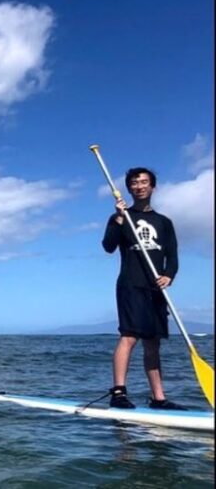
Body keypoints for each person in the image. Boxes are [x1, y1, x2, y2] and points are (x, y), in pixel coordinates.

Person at [101, 167, 185, 410]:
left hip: (156, 289)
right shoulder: (121, 217)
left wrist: (169, 275)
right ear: (129, 188)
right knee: (129, 336)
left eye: (144, 182)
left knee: (153, 341)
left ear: (153, 186)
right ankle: (118, 393)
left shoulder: (164, 222)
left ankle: (158, 398)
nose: (139, 186)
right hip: (131, 284)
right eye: (134, 183)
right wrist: (118, 218)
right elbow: (107, 246)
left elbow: (173, 256)